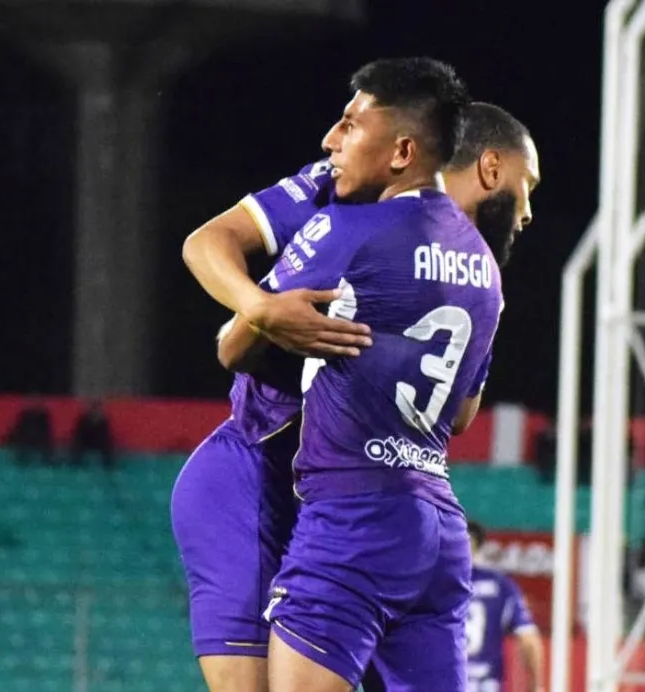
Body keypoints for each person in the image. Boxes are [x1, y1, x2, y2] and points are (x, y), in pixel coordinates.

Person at [174, 87, 539, 692]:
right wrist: (260, 307)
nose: (527, 213)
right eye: (529, 186)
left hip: (351, 498)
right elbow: (209, 248)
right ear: (492, 167)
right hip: (258, 473)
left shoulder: (473, 269)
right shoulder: (342, 189)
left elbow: (457, 415)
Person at [247, 59, 504, 692]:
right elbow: (463, 415)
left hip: (353, 514)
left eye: (351, 124)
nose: (331, 139)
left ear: (403, 152)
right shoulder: (484, 265)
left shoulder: (353, 228)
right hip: (437, 529)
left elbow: (235, 344)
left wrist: (261, 309)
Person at [466, 521, 546, 692]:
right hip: (486, 684)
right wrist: (535, 686)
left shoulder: (435, 585)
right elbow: (528, 639)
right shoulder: (500, 584)